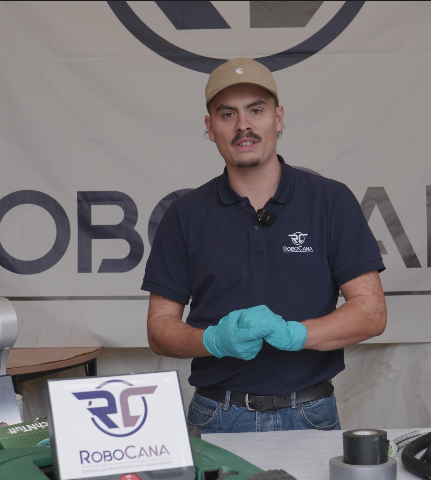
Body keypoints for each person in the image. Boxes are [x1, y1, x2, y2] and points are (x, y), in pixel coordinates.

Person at [141, 58, 387, 433]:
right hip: (216, 415)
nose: (243, 125)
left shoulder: (330, 201)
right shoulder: (184, 214)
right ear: (209, 127)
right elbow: (159, 329)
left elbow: (372, 312)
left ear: (278, 118)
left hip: (310, 413)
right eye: (227, 114)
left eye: (256, 110)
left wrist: (297, 334)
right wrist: (213, 340)